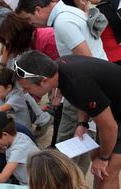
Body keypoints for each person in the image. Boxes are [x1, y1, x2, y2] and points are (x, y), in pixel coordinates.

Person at [15, 50, 121, 189]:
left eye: (27, 88)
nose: (25, 92)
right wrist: (82, 123)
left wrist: (104, 157)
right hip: (112, 107)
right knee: (97, 163)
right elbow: (83, 99)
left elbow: (110, 127)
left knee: (108, 171)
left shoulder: (77, 82)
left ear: (43, 81)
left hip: (115, 116)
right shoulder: (59, 69)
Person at [16, 0, 107, 174]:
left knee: (70, 138)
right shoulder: (70, 12)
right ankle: (73, 178)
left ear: (37, 10)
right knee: (82, 138)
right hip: (88, 87)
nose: (30, 24)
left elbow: (87, 64)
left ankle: (64, 180)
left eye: (28, 19)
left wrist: (75, 97)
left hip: (85, 88)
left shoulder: (63, 22)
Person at [0, 112, 39, 184]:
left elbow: (3, 177)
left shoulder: (19, 149)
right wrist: (5, 150)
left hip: (36, 186)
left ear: (4, 134)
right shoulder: (20, 136)